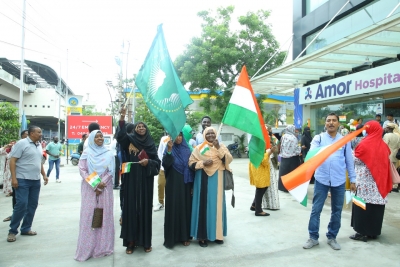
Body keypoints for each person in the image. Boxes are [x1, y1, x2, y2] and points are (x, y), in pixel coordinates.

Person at [303, 113, 356, 251]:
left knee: (336, 210)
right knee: (316, 209)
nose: (331, 123)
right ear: (325, 123)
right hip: (321, 179)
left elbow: (350, 162)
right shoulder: (318, 138)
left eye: (334, 120)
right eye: (328, 121)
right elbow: (311, 154)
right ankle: (313, 237)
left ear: (338, 123)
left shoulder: (344, 140)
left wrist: (353, 179)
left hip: (339, 180)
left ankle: (332, 237)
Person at [117, 108, 160, 254]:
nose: (141, 128)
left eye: (143, 127)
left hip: (146, 181)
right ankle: (131, 242)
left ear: (146, 130)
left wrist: (148, 161)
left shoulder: (150, 144)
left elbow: (157, 162)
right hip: (131, 179)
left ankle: (146, 242)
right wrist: (122, 118)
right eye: (138, 127)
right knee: (131, 209)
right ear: (135, 129)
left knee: (145, 210)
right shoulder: (129, 140)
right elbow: (120, 136)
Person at [74, 130, 115, 261]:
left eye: (101, 136)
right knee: (89, 215)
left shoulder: (108, 153)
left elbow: (111, 170)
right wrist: (96, 185)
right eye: (96, 137)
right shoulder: (87, 152)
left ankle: (102, 248)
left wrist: (102, 184)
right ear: (91, 139)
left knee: (104, 215)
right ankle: (88, 248)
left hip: (105, 186)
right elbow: (82, 170)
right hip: (90, 187)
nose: (100, 138)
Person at [189, 127, 233, 247]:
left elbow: (228, 160)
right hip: (202, 179)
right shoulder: (199, 148)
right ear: (204, 135)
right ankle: (202, 237)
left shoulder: (221, 146)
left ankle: (218, 235)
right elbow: (191, 163)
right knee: (203, 206)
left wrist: (218, 147)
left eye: (212, 133)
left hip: (218, 179)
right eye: (207, 133)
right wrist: (203, 163)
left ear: (216, 134)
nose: (210, 135)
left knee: (217, 207)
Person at [350, 121, 392, 242]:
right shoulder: (383, 145)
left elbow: (356, 159)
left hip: (364, 183)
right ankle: (373, 232)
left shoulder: (365, 143)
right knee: (376, 208)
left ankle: (362, 232)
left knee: (362, 207)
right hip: (379, 182)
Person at [7, 126, 48, 243]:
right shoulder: (21, 143)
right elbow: (12, 160)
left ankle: (26, 228)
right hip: (22, 179)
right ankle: (12, 231)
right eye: (39, 132)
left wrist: (44, 175)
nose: (41, 134)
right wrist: (14, 178)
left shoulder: (38, 145)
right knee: (21, 204)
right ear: (31, 133)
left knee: (32, 205)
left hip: (35, 180)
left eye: (41, 132)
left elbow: (38, 162)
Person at [162, 132, 194, 248]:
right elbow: (165, 164)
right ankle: (172, 238)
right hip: (173, 184)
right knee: (173, 209)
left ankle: (185, 237)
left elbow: (191, 167)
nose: (178, 138)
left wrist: (192, 185)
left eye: (180, 135)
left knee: (185, 209)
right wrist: (169, 151)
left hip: (186, 183)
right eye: (176, 135)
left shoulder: (187, 149)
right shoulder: (169, 148)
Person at [2, 131, 28, 223]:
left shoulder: (32, 145)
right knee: (16, 195)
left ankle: (21, 214)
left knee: (21, 197)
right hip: (13, 174)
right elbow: (10, 158)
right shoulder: (17, 145)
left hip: (24, 175)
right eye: (26, 135)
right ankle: (15, 214)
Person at [249, 149, 273, 216]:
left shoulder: (254, 146)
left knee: (263, 188)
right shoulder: (259, 147)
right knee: (260, 189)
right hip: (259, 170)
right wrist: (269, 153)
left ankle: (254, 205)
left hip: (257, 169)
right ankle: (258, 210)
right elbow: (264, 161)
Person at [278, 125, 301, 192]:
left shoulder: (283, 136)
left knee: (283, 173)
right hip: (292, 159)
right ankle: (291, 187)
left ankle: (282, 187)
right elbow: (295, 149)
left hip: (284, 158)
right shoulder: (294, 138)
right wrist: (300, 149)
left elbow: (281, 146)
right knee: (291, 174)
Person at [262, 125, 280, 211]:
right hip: (264, 162)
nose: (269, 131)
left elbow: (276, 148)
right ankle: (267, 204)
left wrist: (272, 147)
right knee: (265, 184)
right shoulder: (261, 138)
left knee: (271, 183)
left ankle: (272, 204)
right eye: (268, 129)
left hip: (270, 162)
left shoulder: (272, 138)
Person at [383, 123, 400, 192]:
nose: (385, 129)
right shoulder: (397, 136)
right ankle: (394, 186)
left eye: (386, 127)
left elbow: (385, 145)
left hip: (388, 155)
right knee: (394, 170)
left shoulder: (387, 135)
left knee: (387, 171)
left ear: (389, 128)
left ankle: (389, 186)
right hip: (395, 156)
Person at [155, 134, 170, 211]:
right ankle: (161, 202)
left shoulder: (178, 137)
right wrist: (163, 162)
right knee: (161, 184)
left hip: (173, 168)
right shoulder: (164, 139)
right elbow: (160, 152)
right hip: (163, 167)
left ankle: (170, 202)